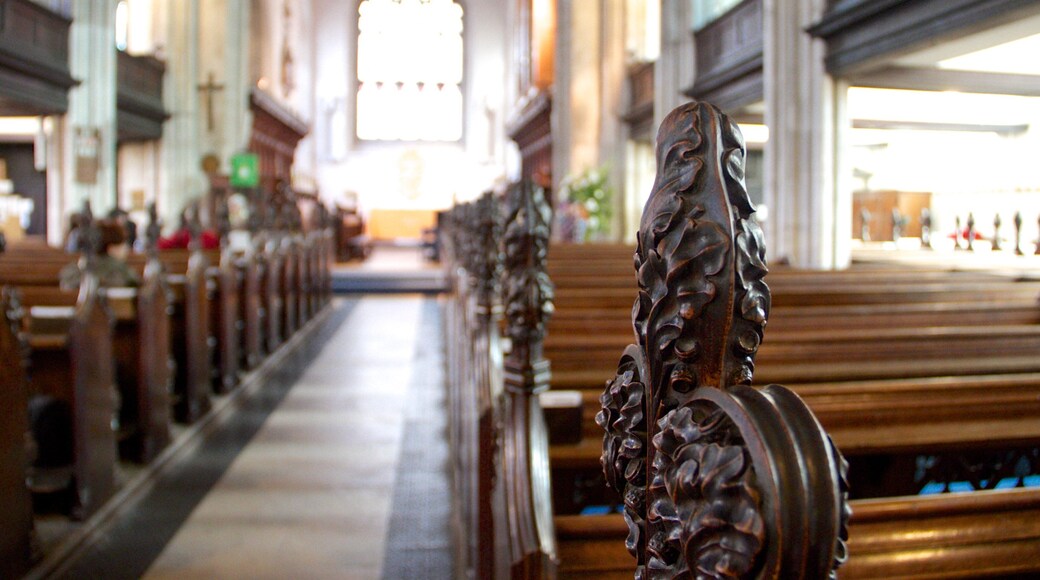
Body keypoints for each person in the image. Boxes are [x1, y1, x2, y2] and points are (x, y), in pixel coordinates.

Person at [59, 219, 141, 289]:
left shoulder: (76, 270)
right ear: (111, 248)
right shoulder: (122, 272)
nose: (126, 248)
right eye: (123, 243)